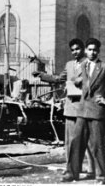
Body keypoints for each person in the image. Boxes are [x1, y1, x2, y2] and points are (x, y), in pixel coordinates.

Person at [65, 38, 105, 184]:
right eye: (89, 49)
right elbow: (77, 79)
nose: (92, 52)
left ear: (98, 51)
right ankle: (72, 173)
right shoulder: (84, 65)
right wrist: (76, 82)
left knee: (97, 145)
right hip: (82, 110)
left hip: (97, 112)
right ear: (86, 50)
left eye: (95, 50)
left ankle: (101, 176)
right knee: (75, 143)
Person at [33, 38, 94, 177]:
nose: (75, 52)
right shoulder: (69, 65)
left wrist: (82, 80)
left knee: (88, 139)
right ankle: (71, 169)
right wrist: (42, 76)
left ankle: (92, 169)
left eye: (77, 49)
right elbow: (59, 79)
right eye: (72, 50)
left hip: (85, 107)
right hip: (71, 107)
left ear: (83, 49)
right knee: (70, 141)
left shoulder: (90, 64)